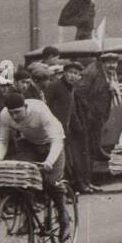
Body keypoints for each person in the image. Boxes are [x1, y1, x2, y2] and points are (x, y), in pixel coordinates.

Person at [0, 92, 70, 239]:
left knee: (51, 183)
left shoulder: (40, 110)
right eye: (12, 113)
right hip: (29, 144)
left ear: (25, 106)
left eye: (17, 112)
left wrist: (49, 162)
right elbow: (2, 140)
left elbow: (56, 140)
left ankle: (64, 218)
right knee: (21, 180)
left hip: (52, 143)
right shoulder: (4, 115)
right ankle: (28, 220)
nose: (14, 116)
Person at [46, 60, 91, 193]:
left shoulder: (71, 88)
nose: (73, 76)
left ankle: (73, 186)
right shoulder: (55, 86)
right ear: (64, 73)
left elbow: (72, 110)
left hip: (66, 130)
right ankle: (64, 189)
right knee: (61, 160)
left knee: (71, 158)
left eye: (76, 74)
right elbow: (46, 106)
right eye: (70, 72)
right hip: (53, 130)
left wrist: (78, 127)